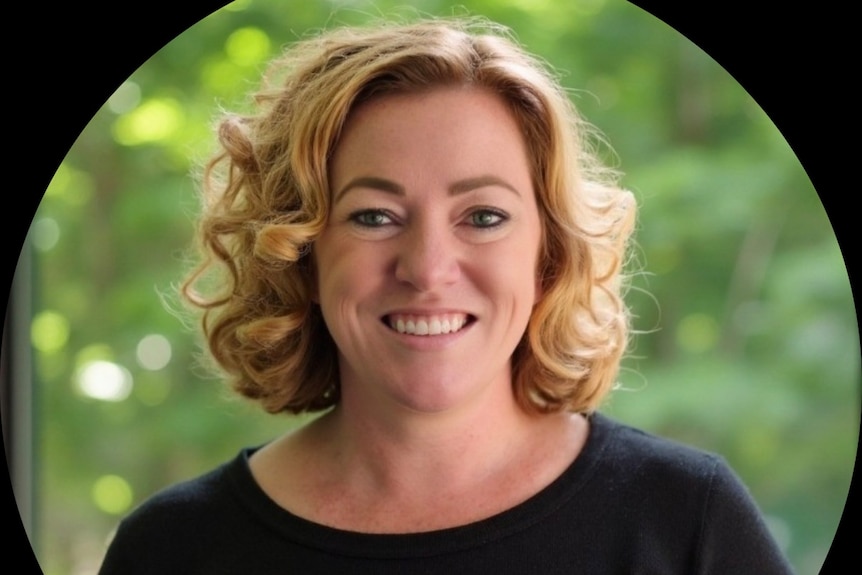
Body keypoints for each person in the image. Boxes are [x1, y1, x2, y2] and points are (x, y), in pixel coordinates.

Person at [98, 16, 794, 574]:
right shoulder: (171, 549)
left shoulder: (685, 523)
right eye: (374, 216)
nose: (428, 268)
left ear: (547, 255)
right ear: (303, 255)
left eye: (483, 217)